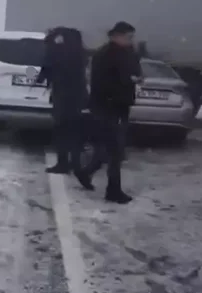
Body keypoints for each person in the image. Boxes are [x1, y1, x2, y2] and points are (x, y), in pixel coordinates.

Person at [76, 21, 140, 204]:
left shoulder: (127, 53)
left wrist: (136, 76)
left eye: (132, 37)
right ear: (116, 36)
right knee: (116, 151)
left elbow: (134, 71)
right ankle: (113, 191)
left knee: (108, 149)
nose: (131, 40)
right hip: (108, 107)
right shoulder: (105, 55)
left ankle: (85, 173)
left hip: (119, 106)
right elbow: (104, 83)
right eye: (128, 37)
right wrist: (128, 80)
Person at [35, 27, 92, 185]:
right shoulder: (81, 54)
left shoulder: (57, 52)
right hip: (78, 98)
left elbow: (47, 60)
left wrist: (54, 34)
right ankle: (75, 163)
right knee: (74, 132)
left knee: (61, 130)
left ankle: (63, 163)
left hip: (62, 97)